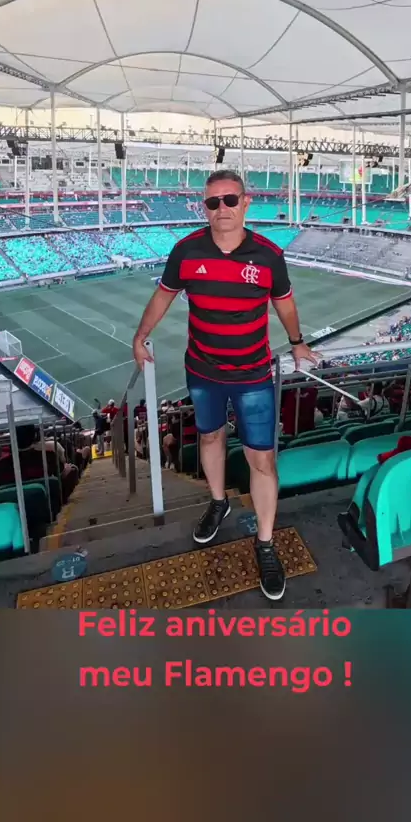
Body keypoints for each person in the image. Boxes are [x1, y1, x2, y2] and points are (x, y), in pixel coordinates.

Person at [133, 169, 318, 601]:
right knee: (210, 437)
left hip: (253, 374)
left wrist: (297, 342)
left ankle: (266, 544)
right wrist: (140, 336)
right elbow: (163, 295)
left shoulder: (269, 255)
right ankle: (218, 502)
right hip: (202, 370)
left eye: (230, 200)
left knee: (262, 460)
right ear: (204, 207)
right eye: (213, 202)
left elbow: (284, 304)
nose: (222, 209)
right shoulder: (186, 250)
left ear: (246, 202)